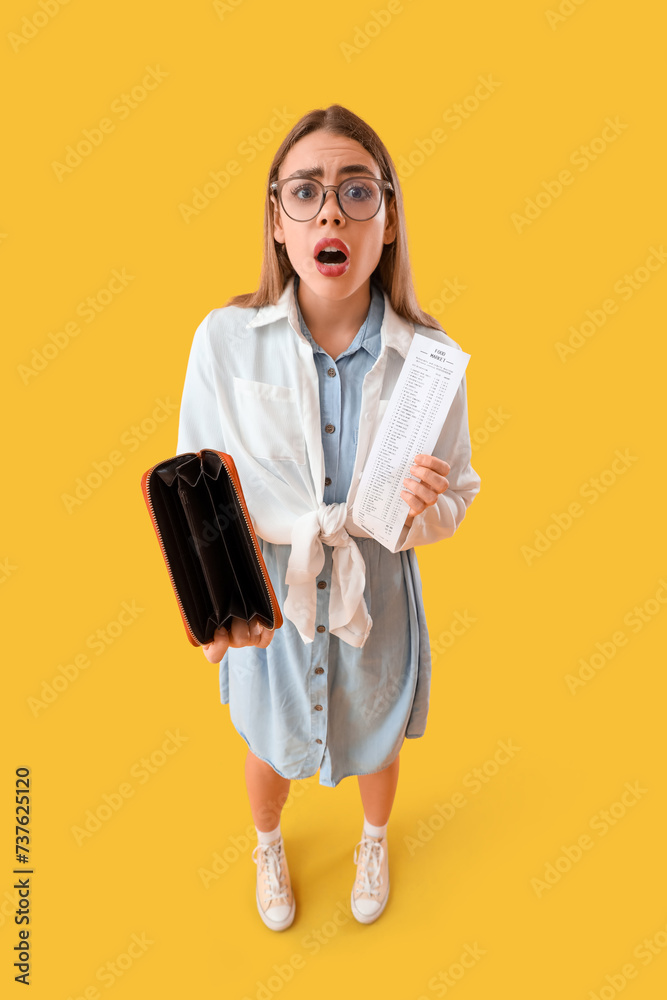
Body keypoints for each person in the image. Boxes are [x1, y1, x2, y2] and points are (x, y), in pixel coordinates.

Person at [176, 104, 481, 931]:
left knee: (377, 737)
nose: (331, 214)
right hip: (272, 591)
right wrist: (216, 605)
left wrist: (422, 512)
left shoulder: (430, 357)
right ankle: (267, 844)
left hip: (377, 586)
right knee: (268, 738)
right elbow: (196, 485)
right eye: (305, 192)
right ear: (278, 221)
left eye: (356, 191)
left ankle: (372, 842)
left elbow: (458, 492)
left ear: (388, 219)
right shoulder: (225, 340)